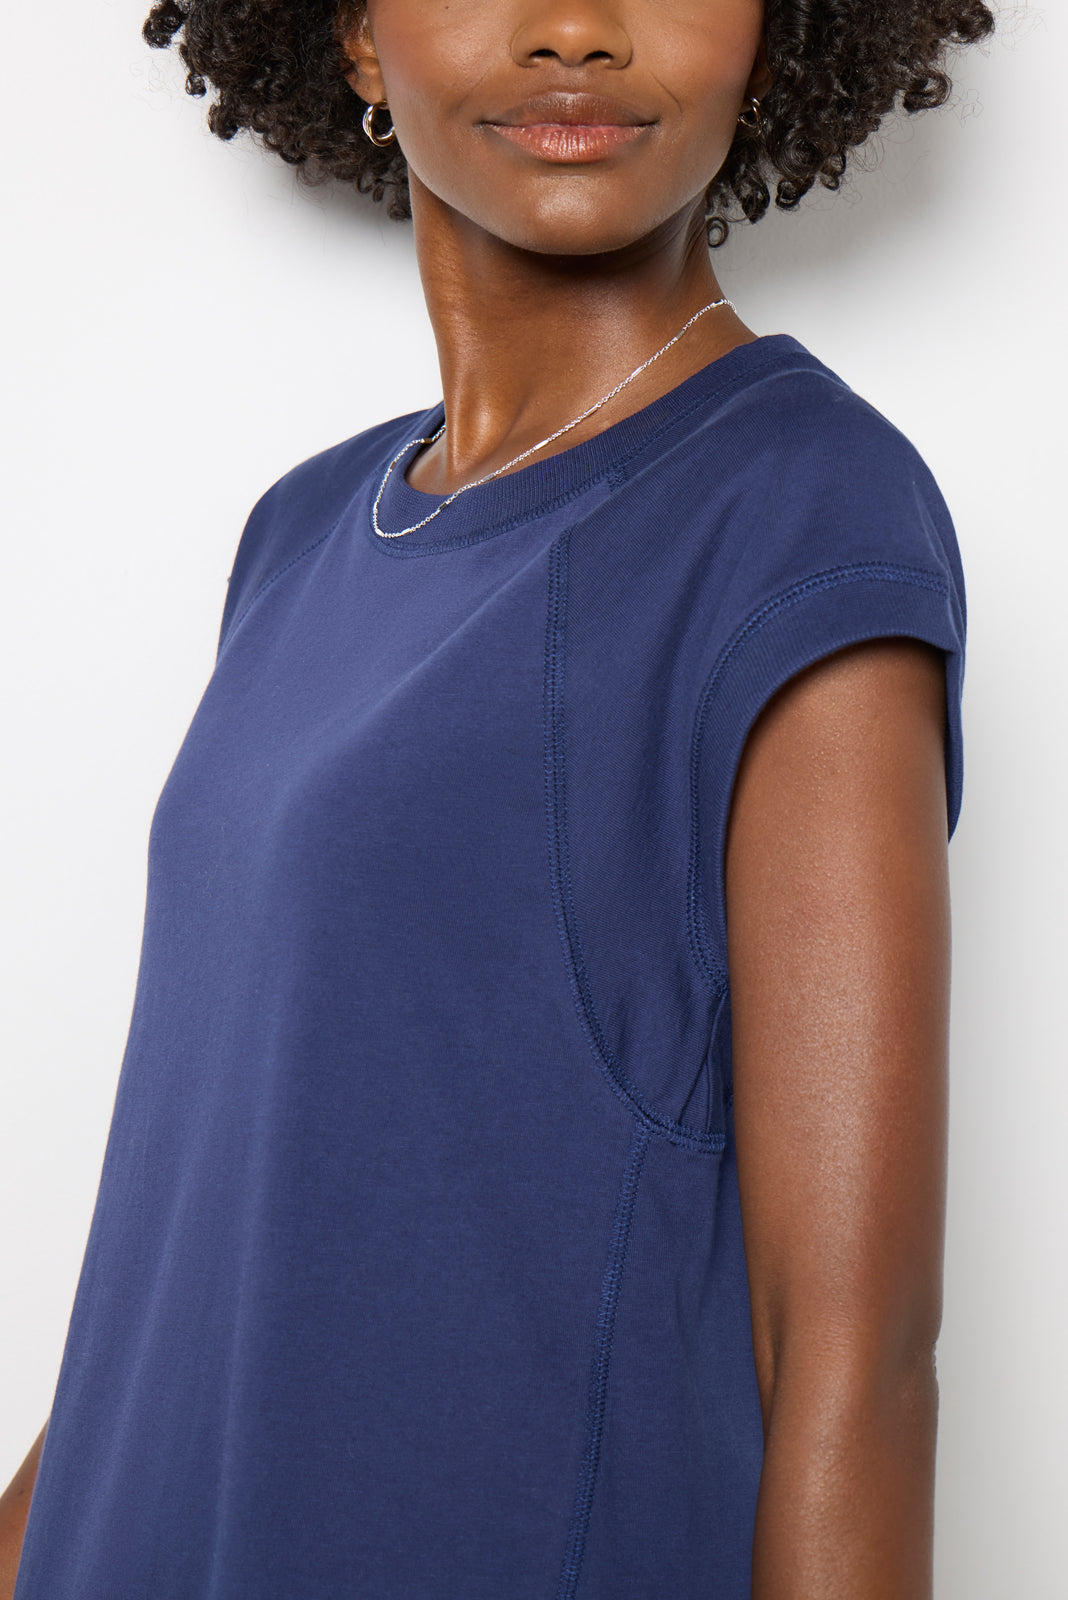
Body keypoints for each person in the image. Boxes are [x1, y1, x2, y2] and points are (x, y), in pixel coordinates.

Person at [0, 1, 996, 1596]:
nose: (576, 29)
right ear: (352, 37)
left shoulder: (799, 511)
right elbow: (192, 1236)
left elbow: (850, 1357)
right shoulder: (301, 536)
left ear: (777, 34)